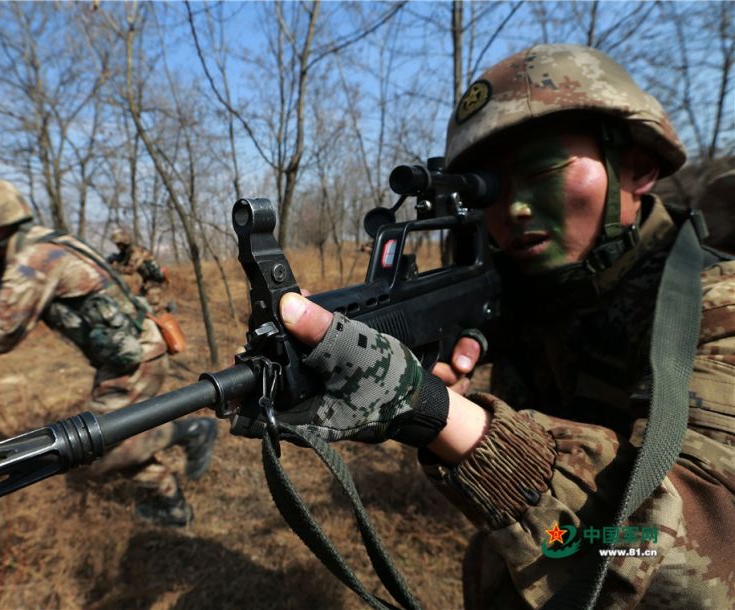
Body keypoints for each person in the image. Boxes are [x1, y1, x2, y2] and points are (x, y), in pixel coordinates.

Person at [233, 44, 734, 608]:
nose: (514, 208)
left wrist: (440, 415)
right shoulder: (529, 284)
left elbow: (703, 564)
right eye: (487, 188)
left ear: (639, 167)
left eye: (542, 171)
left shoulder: (719, 304)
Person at [0, 179, 218, 527]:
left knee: (99, 448)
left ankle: (190, 433)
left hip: (133, 362)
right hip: (133, 352)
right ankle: (171, 505)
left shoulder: (32, 261)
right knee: (115, 438)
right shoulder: (50, 240)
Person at [108, 227, 170, 314]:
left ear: (125, 242)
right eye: (117, 244)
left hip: (154, 282)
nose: (118, 246)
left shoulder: (136, 252)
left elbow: (130, 270)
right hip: (143, 282)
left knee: (154, 308)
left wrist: (115, 267)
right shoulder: (125, 253)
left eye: (119, 244)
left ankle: (168, 308)